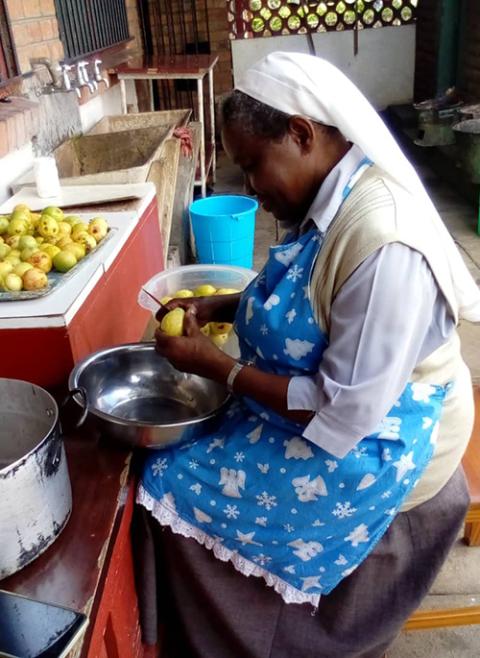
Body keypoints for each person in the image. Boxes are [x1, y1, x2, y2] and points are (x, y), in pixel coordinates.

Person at [137, 52, 480, 658]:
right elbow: (308, 294)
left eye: (253, 166)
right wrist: (221, 307)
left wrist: (221, 368)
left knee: (171, 483)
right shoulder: (330, 195)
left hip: (381, 438)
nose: (251, 189)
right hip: (339, 406)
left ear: (301, 133)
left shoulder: (385, 247)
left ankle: (258, 639)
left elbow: (342, 413)